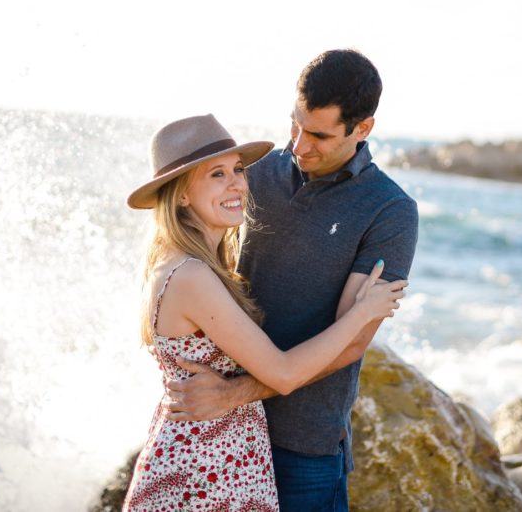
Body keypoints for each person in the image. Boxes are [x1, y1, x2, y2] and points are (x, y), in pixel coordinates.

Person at [163, 50, 419, 511]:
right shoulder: (253, 174)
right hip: (221, 433)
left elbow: (350, 341)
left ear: (362, 129)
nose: (299, 146)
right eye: (295, 125)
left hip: (302, 442)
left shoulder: (389, 210)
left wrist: (234, 393)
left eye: (318, 135)